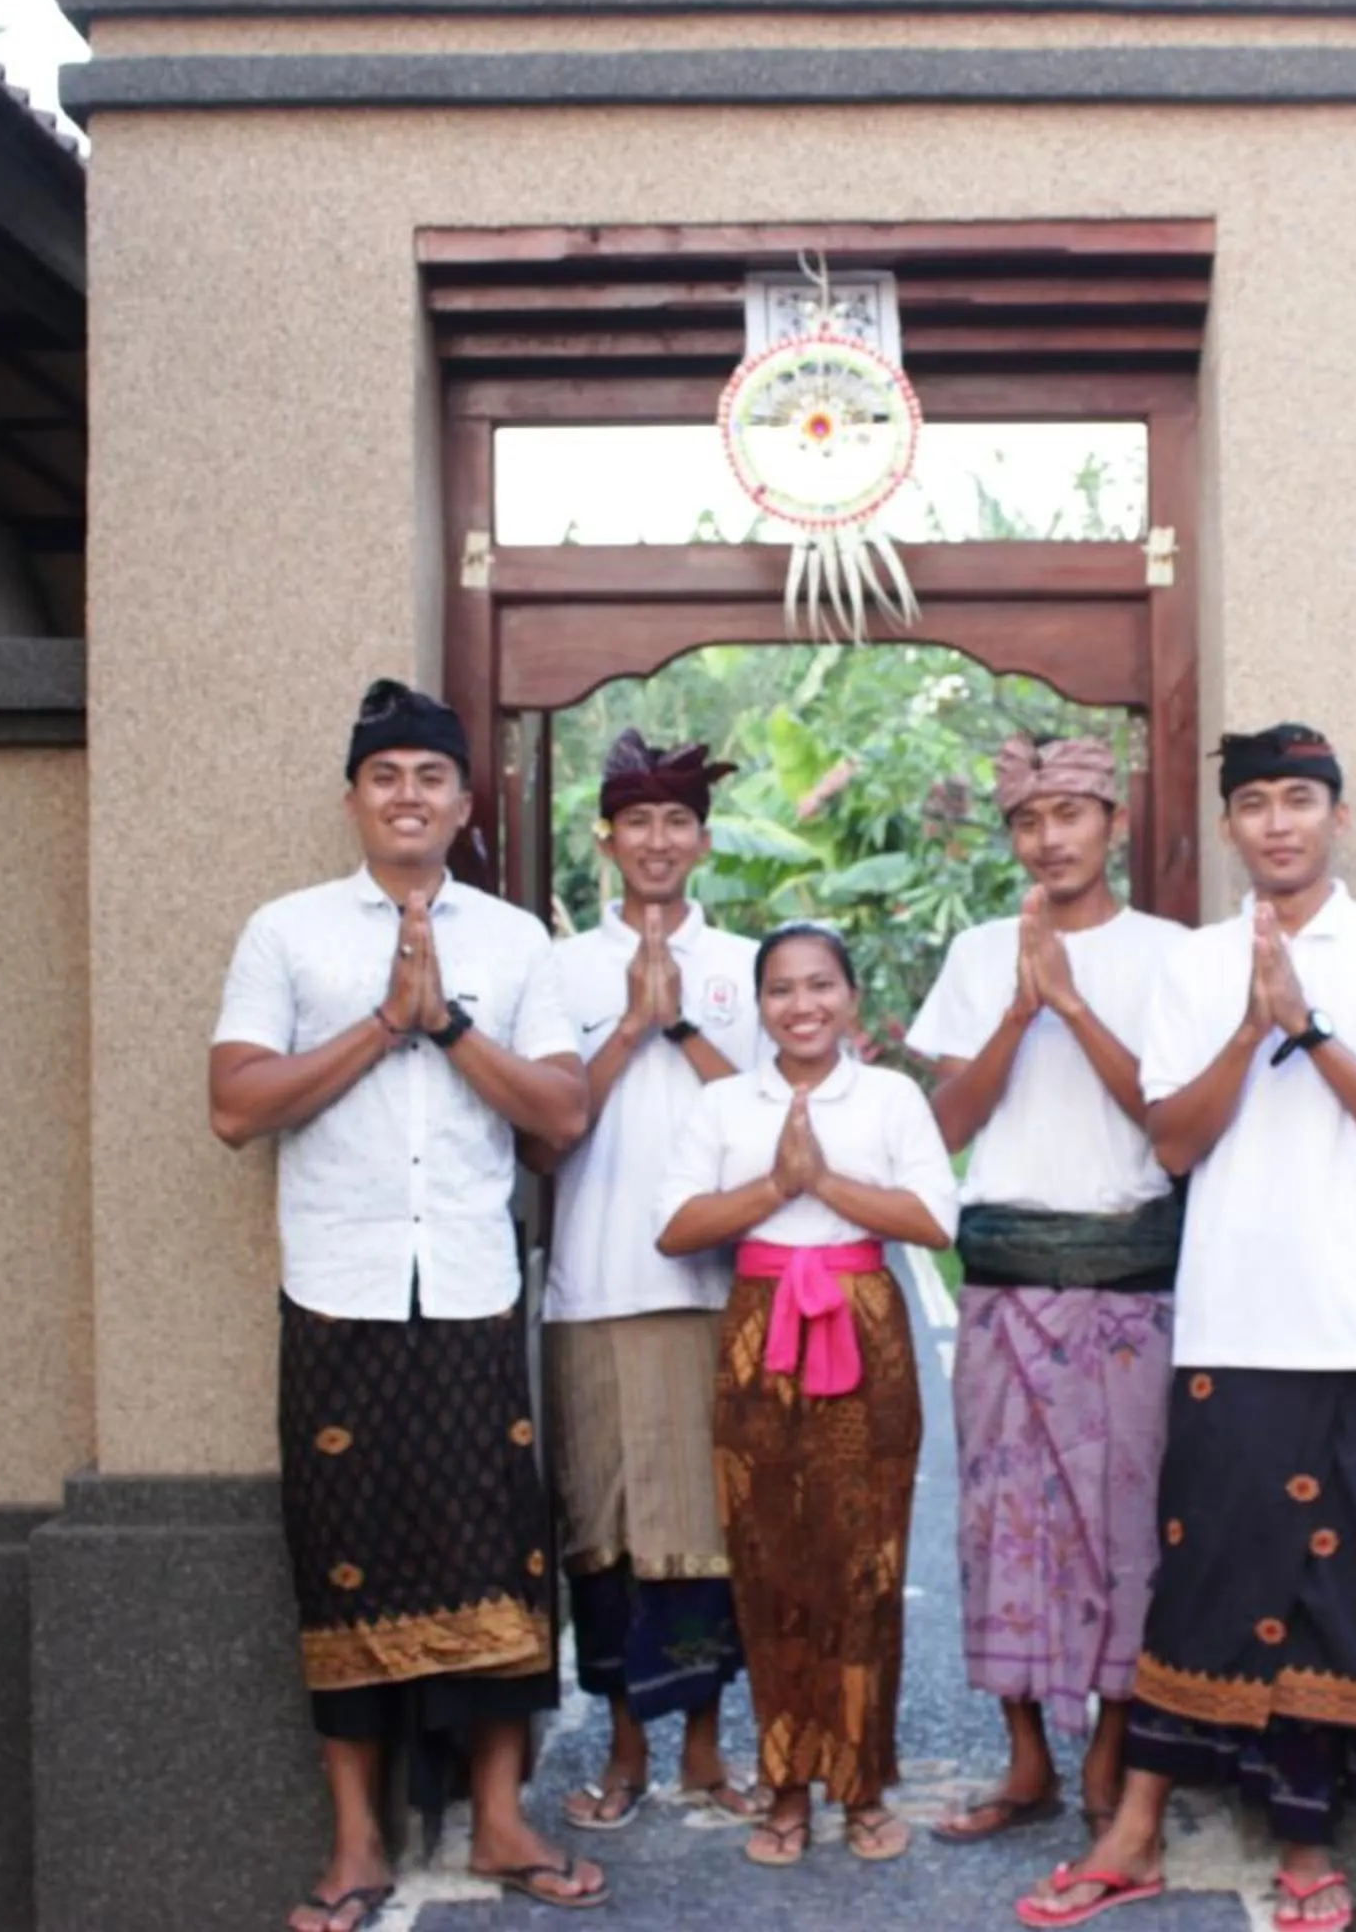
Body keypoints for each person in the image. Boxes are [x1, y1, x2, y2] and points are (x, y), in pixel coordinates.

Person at [1017, 723, 1356, 1932]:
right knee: (1203, 1571)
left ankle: (1307, 1842)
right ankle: (1136, 1831)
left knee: (1335, 1582)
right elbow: (1172, 1141)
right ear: (1227, 827)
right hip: (1230, 1319)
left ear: (1337, 816)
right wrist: (1254, 1026)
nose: (1277, 822)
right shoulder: (1197, 963)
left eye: (1299, 798)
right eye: (1254, 802)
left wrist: (1310, 1027)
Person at [208, 681, 609, 1925]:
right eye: (385, 775)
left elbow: (561, 1113)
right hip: (338, 1290)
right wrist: (385, 1020)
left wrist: (448, 1024)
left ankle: (499, 1817)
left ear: (464, 803)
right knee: (344, 1555)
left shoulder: (516, 942)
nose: (407, 795)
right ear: (353, 799)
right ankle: (355, 1841)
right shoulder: (286, 932)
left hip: (473, 1290)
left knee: (499, 1551)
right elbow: (235, 1105)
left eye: (431, 776)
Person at [905, 734, 1187, 1844]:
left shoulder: (1172, 956)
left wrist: (1071, 1004)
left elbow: (1171, 1124)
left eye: (1071, 813)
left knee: (1125, 1525)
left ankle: (1110, 1757)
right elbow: (946, 1127)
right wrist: (1020, 1010)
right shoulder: (981, 952)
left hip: (1129, 1279)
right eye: (1028, 820)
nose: (1050, 838)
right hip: (1007, 1275)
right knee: (1002, 1520)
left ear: (1114, 821)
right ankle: (1025, 1758)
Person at [654, 923, 959, 1870]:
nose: (802, 1005)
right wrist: (774, 1187)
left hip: (866, 1329)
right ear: (760, 1006)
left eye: (821, 985)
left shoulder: (892, 1097)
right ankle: (786, 1787)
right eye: (781, 989)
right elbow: (676, 1225)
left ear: (851, 998)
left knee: (865, 1564)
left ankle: (861, 1788)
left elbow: (933, 1220)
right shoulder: (723, 1104)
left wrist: (821, 1180)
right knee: (770, 1562)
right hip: (760, 1334)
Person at [526, 729, 771, 1831]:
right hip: (594, 1288)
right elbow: (544, 1135)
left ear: (704, 841)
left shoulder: (748, 965)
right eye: (638, 821)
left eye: (678, 821)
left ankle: (708, 1751)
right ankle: (625, 1752)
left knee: (710, 1531)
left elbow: (770, 1128)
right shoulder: (557, 968)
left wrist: (681, 1022)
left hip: (716, 1289)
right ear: (608, 838)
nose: (658, 840)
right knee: (607, 1532)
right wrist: (628, 1025)